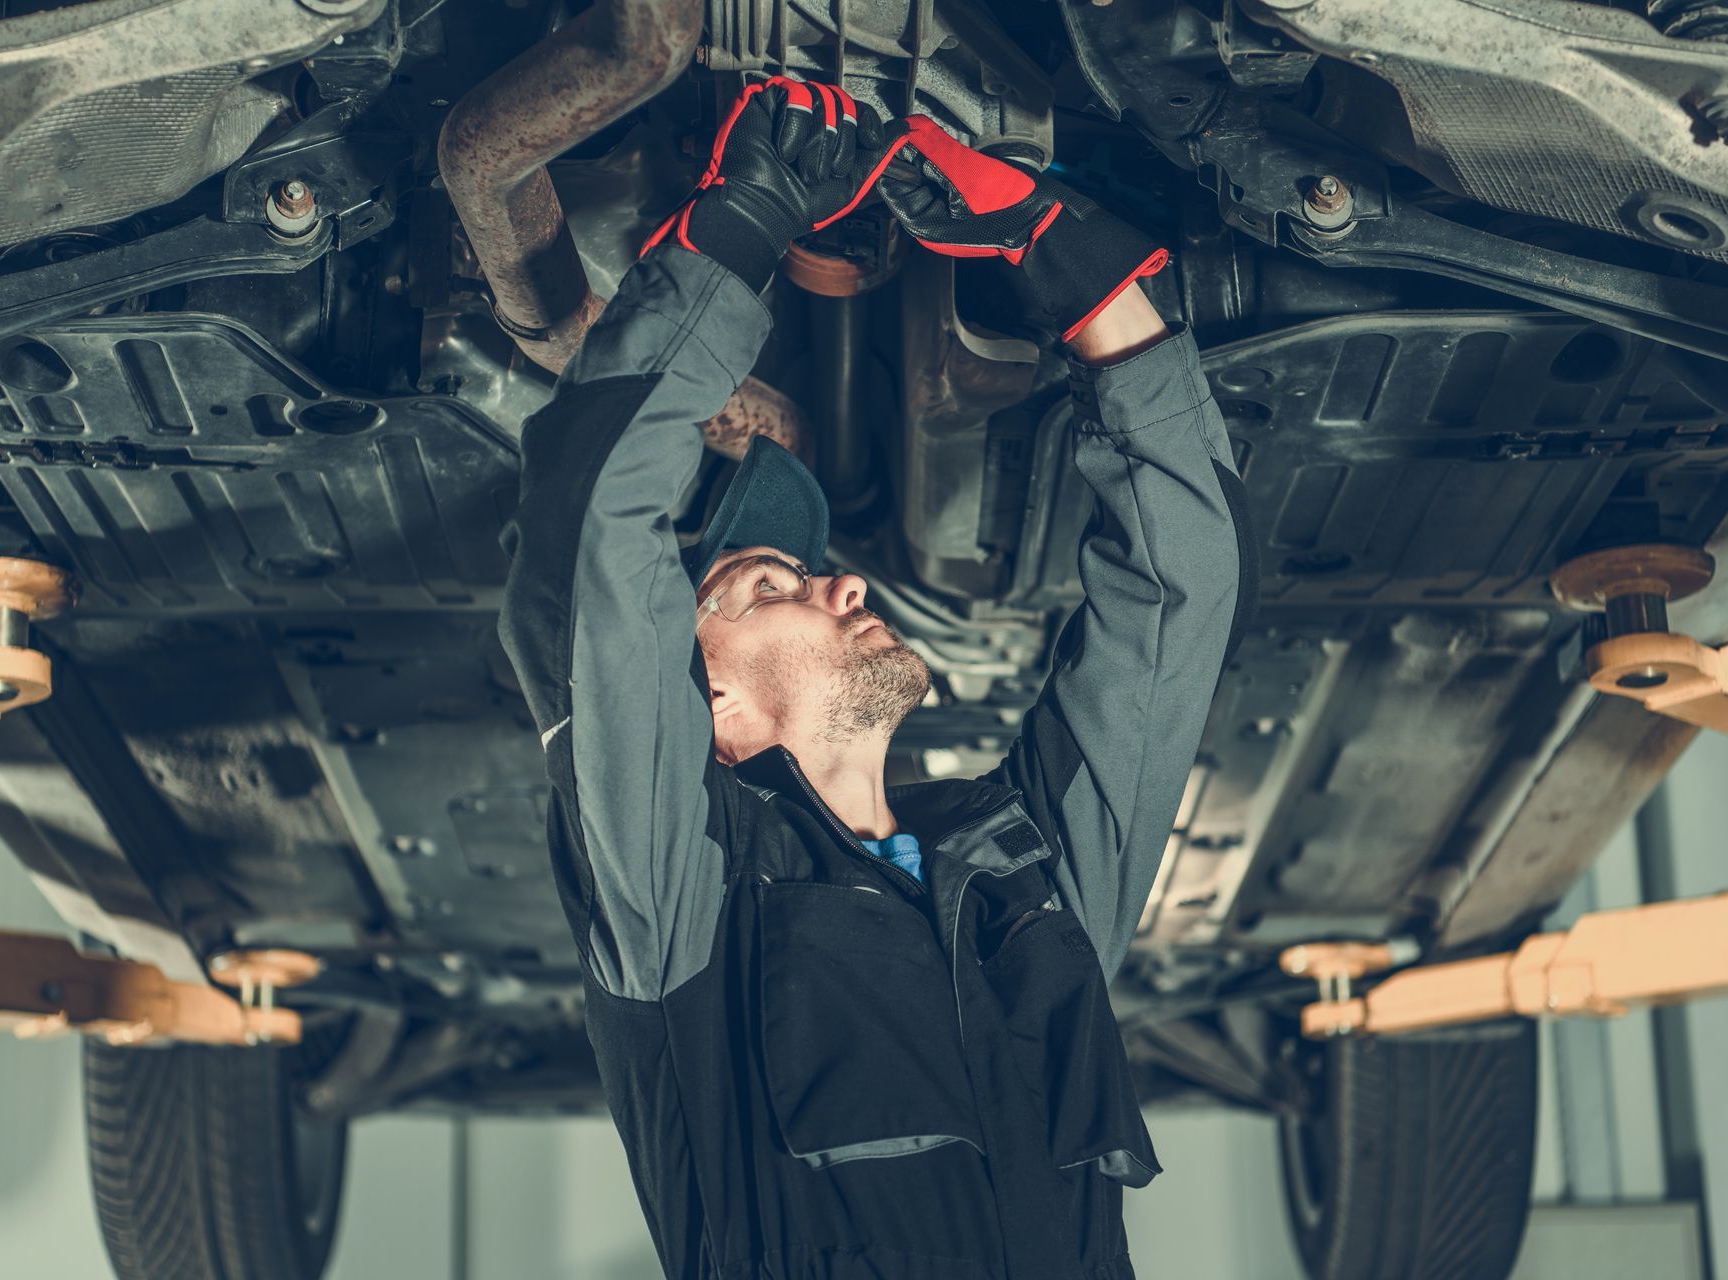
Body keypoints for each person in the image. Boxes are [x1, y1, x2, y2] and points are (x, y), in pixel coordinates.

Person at [498, 75, 1254, 1280]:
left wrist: (744, 218)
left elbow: (587, 534)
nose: (843, 584)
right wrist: (1093, 288)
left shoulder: (688, 908)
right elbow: (1182, 601)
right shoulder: (1027, 889)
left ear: (719, 715)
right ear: (714, 710)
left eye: (765, 582)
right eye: (775, 584)